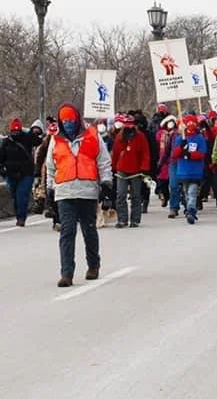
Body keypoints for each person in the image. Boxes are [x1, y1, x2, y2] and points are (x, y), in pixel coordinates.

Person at [45, 103, 113, 287]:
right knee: (67, 232)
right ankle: (66, 273)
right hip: (64, 192)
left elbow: (104, 162)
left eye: (71, 120)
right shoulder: (55, 139)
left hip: (87, 190)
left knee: (89, 230)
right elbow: (51, 167)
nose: (68, 124)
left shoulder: (92, 135)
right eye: (65, 121)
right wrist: (49, 190)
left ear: (77, 120)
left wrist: (106, 186)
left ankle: (93, 264)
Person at [110, 114, 151, 228]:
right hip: (122, 170)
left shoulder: (140, 137)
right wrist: (113, 167)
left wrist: (144, 168)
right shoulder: (119, 137)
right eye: (126, 125)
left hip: (136, 170)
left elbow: (145, 153)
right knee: (121, 195)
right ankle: (122, 219)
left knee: (136, 196)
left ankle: (135, 219)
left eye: (130, 125)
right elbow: (115, 154)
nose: (128, 127)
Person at [0, 118, 43, 227]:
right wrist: (2, 170)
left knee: (22, 195)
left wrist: (30, 132)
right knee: (15, 196)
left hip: (26, 174)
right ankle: (19, 215)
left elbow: (38, 141)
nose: (15, 134)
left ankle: (21, 218)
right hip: (11, 174)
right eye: (13, 131)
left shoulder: (27, 138)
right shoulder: (6, 142)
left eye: (17, 131)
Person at [171, 115, 208, 224]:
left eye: (193, 123)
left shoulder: (199, 138)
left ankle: (191, 211)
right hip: (183, 171)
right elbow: (175, 154)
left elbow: (202, 153)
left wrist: (190, 154)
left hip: (195, 171)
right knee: (186, 193)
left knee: (192, 192)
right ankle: (188, 208)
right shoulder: (180, 138)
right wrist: (181, 148)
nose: (191, 126)